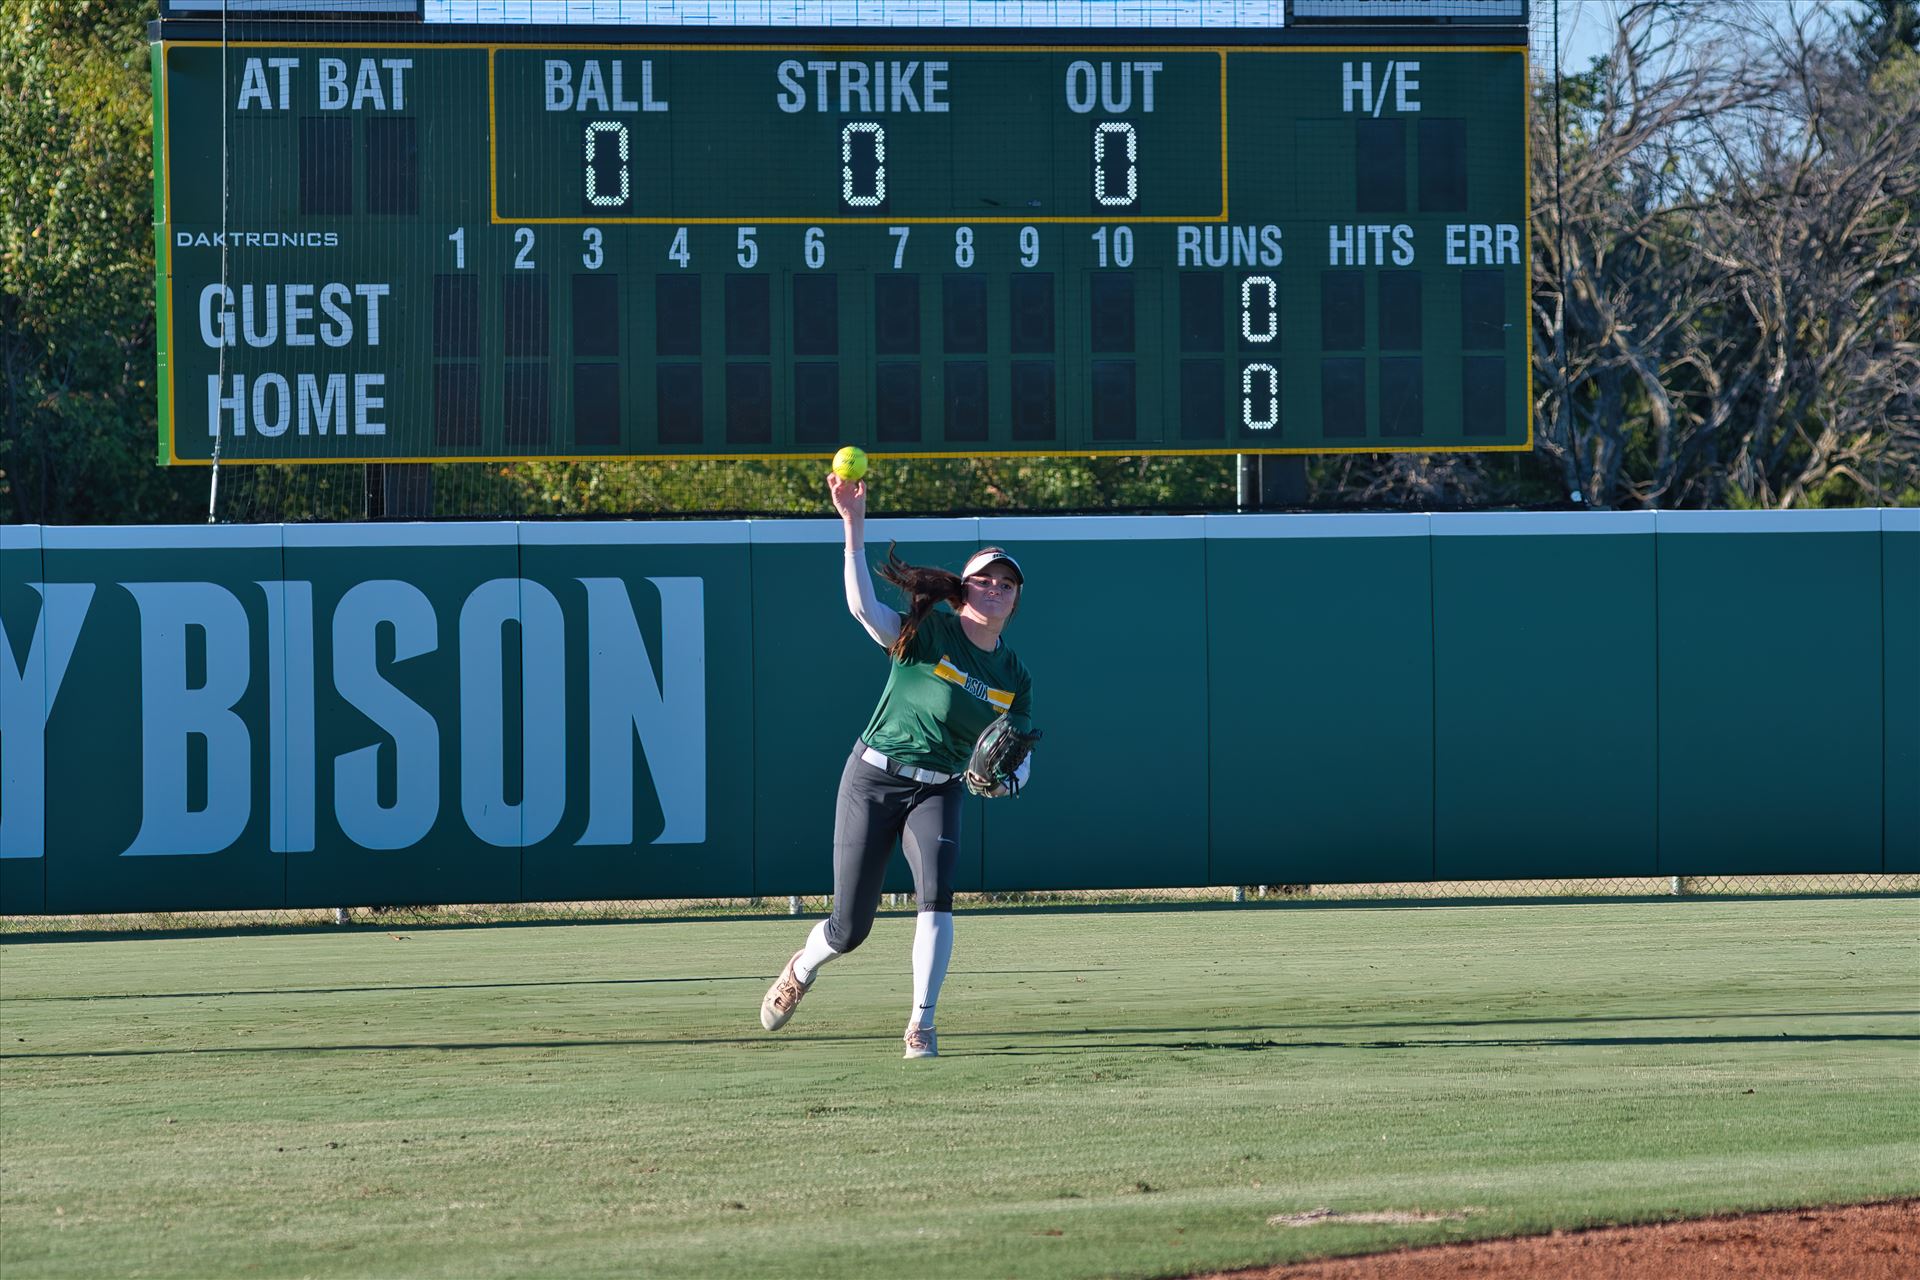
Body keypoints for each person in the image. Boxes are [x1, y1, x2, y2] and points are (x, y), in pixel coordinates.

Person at [759, 469, 1035, 1059]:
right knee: (849, 929)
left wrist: (1011, 778)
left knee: (936, 895)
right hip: (874, 777)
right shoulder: (929, 633)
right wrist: (853, 525)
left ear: (1016, 599)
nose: (995, 588)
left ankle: (921, 1024)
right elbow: (862, 606)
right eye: (984, 580)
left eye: (1006, 583)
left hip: (939, 790)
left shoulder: (1013, 676)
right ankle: (803, 967)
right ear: (964, 590)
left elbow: (1019, 749)